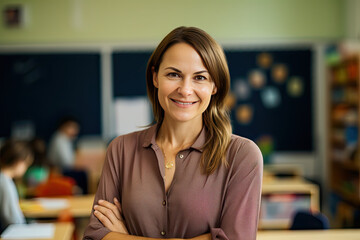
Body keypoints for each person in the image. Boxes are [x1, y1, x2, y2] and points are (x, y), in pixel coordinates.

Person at [83, 26, 263, 240]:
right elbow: (96, 235)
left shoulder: (242, 155)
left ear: (215, 85)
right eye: (174, 74)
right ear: (155, 77)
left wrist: (124, 237)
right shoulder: (121, 149)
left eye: (200, 78)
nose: (186, 89)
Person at [0, 140, 33, 233]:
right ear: (18, 162)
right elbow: (12, 219)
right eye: (26, 164)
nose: (26, 168)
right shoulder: (5, 182)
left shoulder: (5, 179)